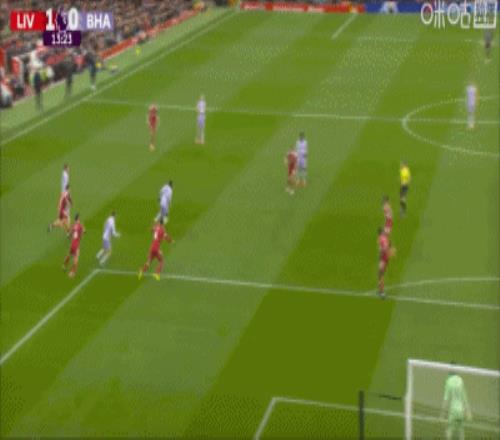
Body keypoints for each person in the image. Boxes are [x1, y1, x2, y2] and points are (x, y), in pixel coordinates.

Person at [441, 366, 472, 440]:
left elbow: (446, 399)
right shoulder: (460, 380)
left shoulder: (448, 381)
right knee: (461, 432)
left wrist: (442, 414)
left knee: (449, 430)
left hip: (453, 410)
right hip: (461, 411)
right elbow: (464, 397)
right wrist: (468, 412)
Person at [63, 213, 85, 278]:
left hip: (72, 244)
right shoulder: (80, 225)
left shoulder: (73, 225)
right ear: (78, 218)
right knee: (76, 260)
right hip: (76, 245)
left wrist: (70, 237)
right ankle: (72, 273)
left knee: (69, 255)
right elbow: (83, 233)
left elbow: (69, 235)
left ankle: (64, 266)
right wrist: (82, 233)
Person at [377, 226, 394, 299]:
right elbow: (390, 244)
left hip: (383, 258)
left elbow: (384, 248)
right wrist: (391, 251)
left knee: (380, 274)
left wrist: (382, 254)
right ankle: (380, 290)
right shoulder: (385, 237)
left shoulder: (381, 238)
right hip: (386, 257)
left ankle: (382, 292)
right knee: (380, 274)